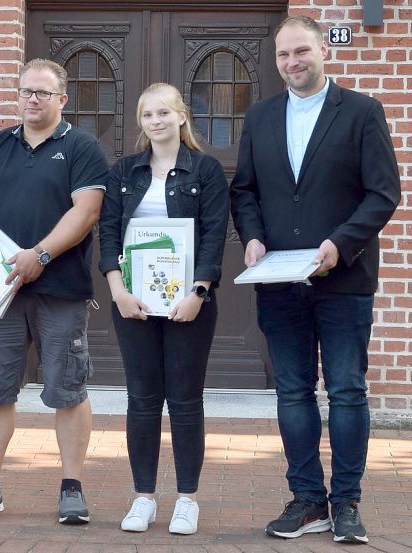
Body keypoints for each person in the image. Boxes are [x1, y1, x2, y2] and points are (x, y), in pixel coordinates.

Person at [230, 16, 400, 544]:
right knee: (292, 392)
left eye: (301, 51)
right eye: (283, 55)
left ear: (323, 49)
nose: (292, 63)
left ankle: (346, 502)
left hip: (343, 279)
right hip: (279, 282)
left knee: (347, 392)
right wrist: (253, 238)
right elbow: (245, 191)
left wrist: (339, 245)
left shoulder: (361, 112)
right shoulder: (260, 116)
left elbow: (382, 193)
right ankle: (307, 501)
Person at [0, 59, 107, 523]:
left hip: (61, 290)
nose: (31, 99)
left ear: (62, 99)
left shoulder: (81, 146)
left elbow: (87, 211)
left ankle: (72, 487)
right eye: (24, 92)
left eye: (41, 92)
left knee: (68, 387)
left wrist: (41, 255)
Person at [98, 83, 229, 535]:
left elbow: (214, 235)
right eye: (147, 114)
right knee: (142, 398)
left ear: (181, 117)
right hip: (133, 301)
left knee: (187, 399)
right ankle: (144, 497)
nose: (155, 121)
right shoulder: (123, 172)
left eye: (163, 113)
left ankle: (187, 499)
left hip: (187, 302)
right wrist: (116, 288)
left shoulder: (206, 171)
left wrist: (198, 292)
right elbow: (109, 233)